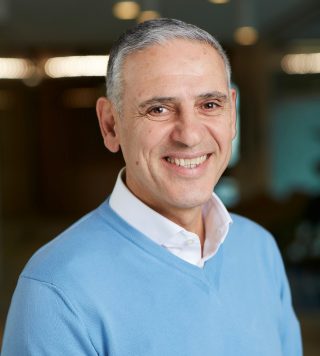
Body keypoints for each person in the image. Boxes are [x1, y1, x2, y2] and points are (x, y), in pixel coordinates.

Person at [1, 18, 302, 355]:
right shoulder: (56, 290)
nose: (189, 135)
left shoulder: (258, 249)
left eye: (209, 105)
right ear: (110, 125)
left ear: (232, 113)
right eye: (158, 109)